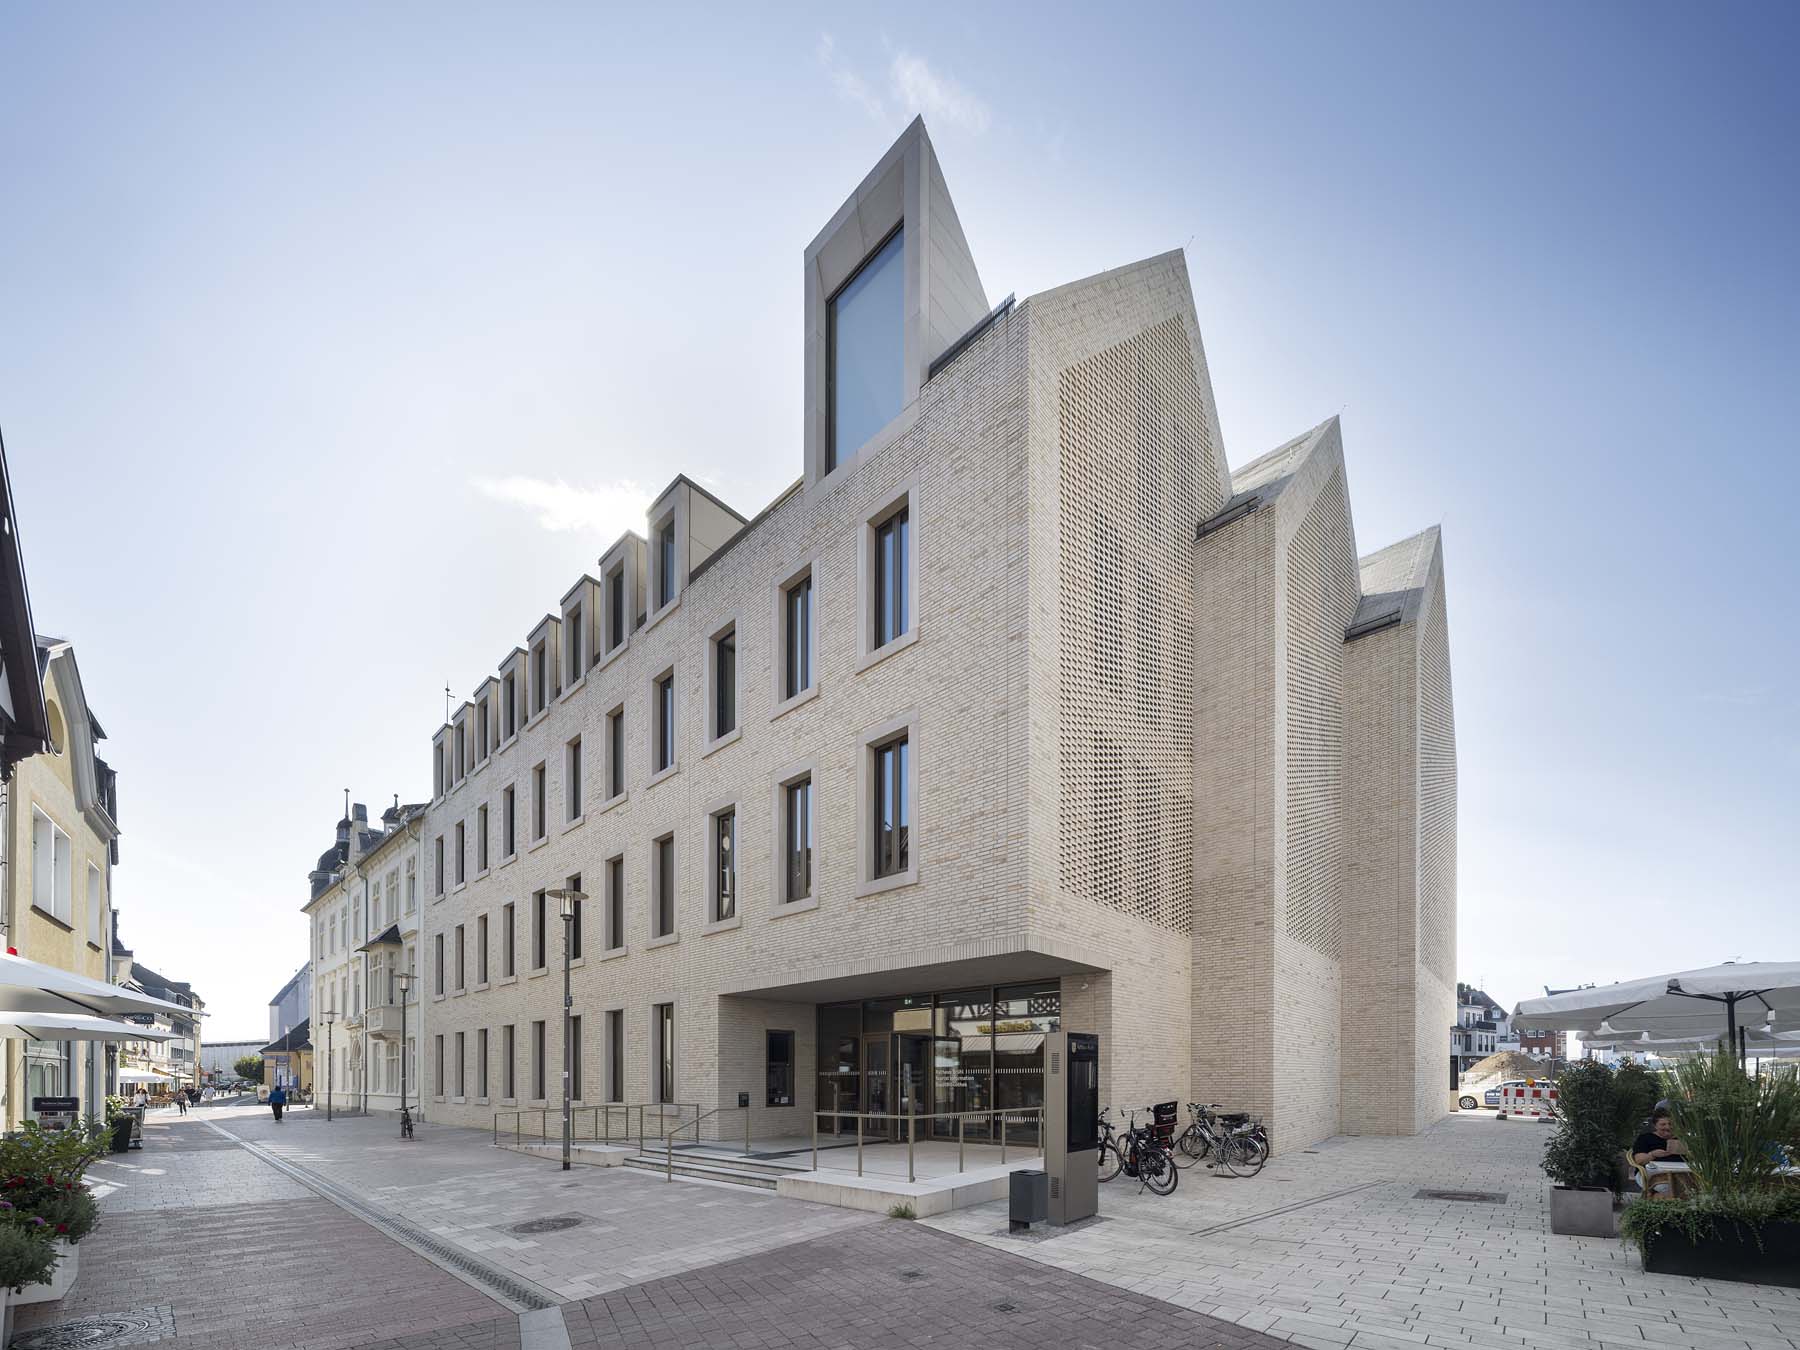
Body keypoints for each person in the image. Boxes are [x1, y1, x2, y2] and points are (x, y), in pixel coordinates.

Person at [1633, 1111, 1688, 1195]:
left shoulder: (1682, 1139)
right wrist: (1653, 1154)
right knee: (1669, 1188)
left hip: (1681, 1173)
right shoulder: (1646, 1138)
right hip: (1653, 1174)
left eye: (1670, 1124)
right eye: (1663, 1124)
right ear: (1655, 1126)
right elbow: (1639, 1161)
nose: (1668, 1127)